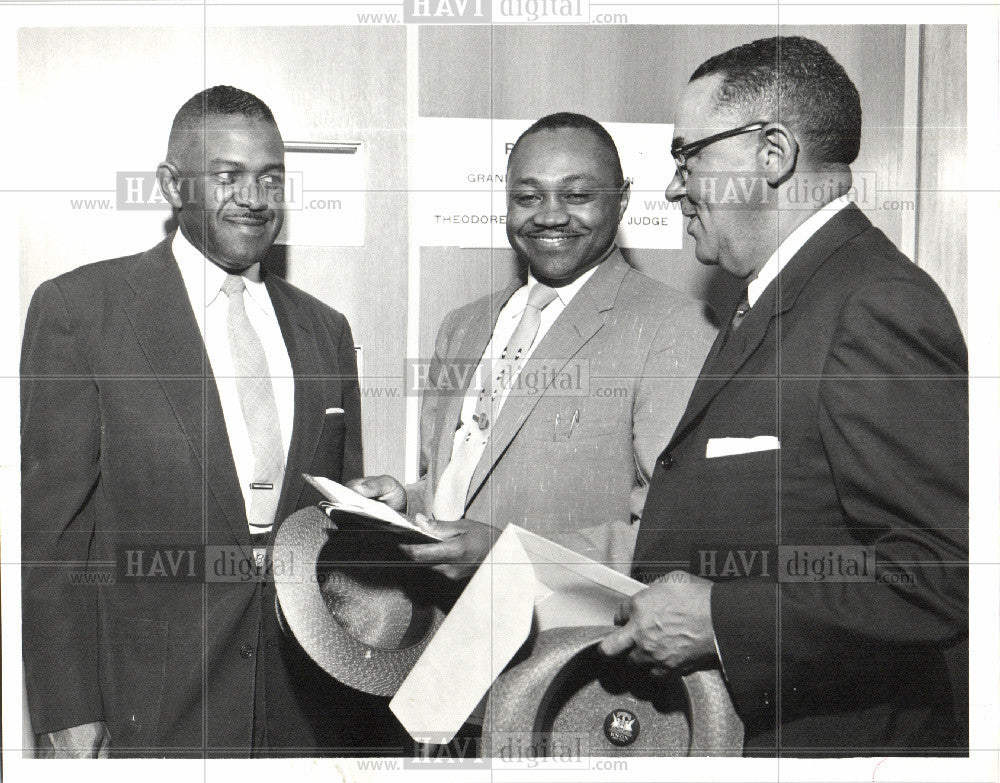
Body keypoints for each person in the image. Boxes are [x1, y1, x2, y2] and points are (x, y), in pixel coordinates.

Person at [600, 37, 969, 755]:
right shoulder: (772, 301)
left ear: (772, 153)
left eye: (688, 156)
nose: (676, 187)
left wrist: (719, 620)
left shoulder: (875, 303)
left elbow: (939, 570)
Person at [20, 86, 399, 757]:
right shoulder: (80, 312)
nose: (254, 198)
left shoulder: (325, 331)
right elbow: (54, 543)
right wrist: (67, 710)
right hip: (150, 706)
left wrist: (381, 512)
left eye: (271, 177)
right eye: (228, 176)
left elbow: (333, 536)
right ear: (172, 185)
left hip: (304, 709)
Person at [352, 112, 716, 578]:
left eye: (578, 195)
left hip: (566, 641)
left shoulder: (674, 328)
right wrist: (408, 502)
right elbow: (460, 480)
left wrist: (508, 558)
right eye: (527, 197)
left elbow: (673, 533)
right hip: (445, 632)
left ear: (622, 200)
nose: (549, 215)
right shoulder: (461, 328)